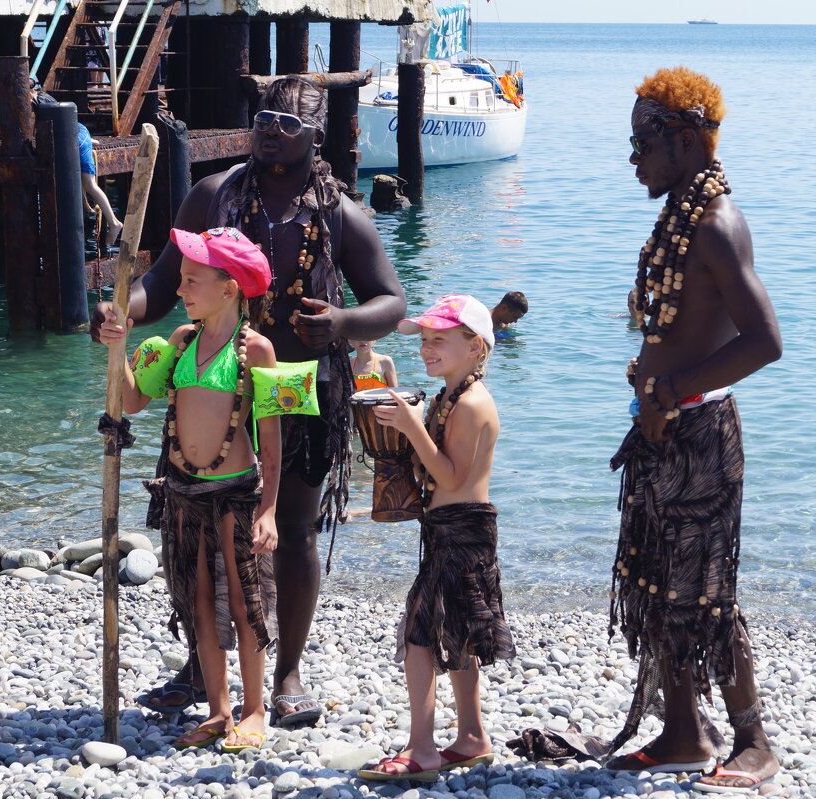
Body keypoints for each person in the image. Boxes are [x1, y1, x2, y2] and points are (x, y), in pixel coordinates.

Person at [92, 76, 407, 727]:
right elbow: (158, 281)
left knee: (289, 529)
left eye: (288, 121)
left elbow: (391, 300)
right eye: (263, 116)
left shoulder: (339, 212)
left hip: (301, 384)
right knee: (200, 525)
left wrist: (344, 326)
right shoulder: (213, 195)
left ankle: (286, 669)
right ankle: (200, 667)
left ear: (316, 133)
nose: (271, 129)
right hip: (214, 380)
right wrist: (124, 309)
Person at [607, 67, 783, 794]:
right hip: (662, 430)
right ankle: (683, 731)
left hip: (698, 433)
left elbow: (765, 340)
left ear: (683, 141)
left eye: (643, 140)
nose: (633, 156)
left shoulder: (715, 222)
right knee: (655, 585)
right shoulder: (682, 208)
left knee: (705, 593)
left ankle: (754, 741)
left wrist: (674, 389)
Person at [99, 226, 279, 750]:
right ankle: (219, 711)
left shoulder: (258, 351)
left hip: (237, 494)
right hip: (183, 492)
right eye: (180, 280)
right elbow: (132, 401)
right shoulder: (178, 342)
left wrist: (268, 509)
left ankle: (254, 709)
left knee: (245, 602)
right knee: (198, 601)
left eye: (191, 281)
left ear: (229, 289)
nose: (180, 291)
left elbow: (271, 437)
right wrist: (120, 347)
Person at [358, 295, 515, 782]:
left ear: (475, 347)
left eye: (439, 340)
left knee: (419, 636)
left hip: (462, 529)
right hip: (453, 528)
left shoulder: (471, 403)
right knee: (458, 634)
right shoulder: (450, 395)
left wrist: (409, 427)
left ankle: (422, 749)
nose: (426, 349)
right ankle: (470, 737)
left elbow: (449, 477)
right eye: (424, 340)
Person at [30, 89, 123, 247]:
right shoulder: (42, 96)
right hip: (81, 130)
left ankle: (114, 223)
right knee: (88, 181)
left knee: (90, 185)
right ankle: (91, 141)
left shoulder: (40, 108)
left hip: (75, 138)